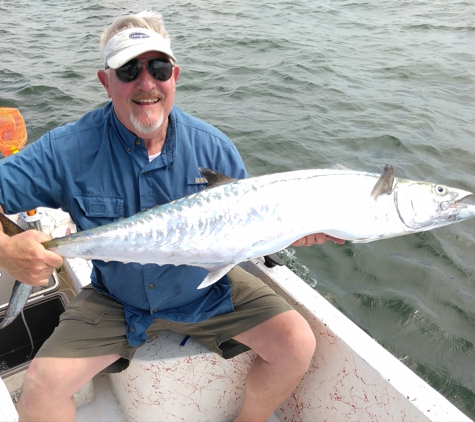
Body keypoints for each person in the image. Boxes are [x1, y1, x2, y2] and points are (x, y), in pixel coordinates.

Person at [0, 11, 343, 422]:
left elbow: (252, 230)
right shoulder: (66, 149)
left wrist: (293, 230)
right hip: (117, 298)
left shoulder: (214, 148)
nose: (146, 83)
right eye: (128, 70)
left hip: (205, 289)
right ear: (105, 81)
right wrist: (5, 249)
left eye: (158, 67)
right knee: (40, 385)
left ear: (175, 75)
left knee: (296, 344)